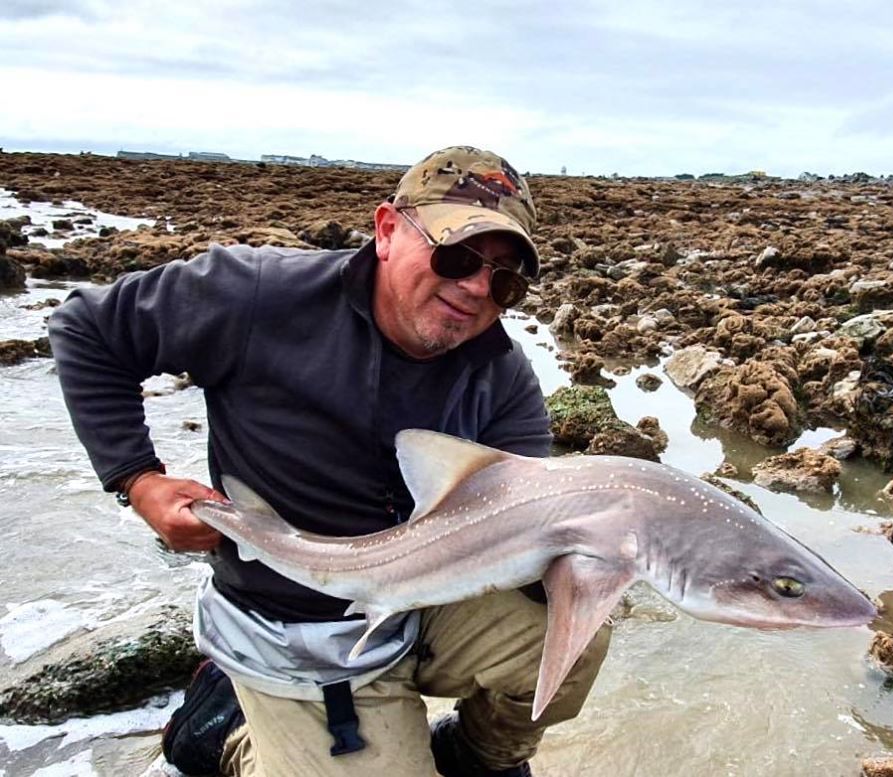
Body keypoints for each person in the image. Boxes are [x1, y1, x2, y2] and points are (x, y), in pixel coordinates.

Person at [49, 146, 610, 776]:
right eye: (458, 255)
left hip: (420, 598)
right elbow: (87, 329)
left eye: (503, 279)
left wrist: (597, 550)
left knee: (574, 633)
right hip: (296, 622)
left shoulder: (501, 376)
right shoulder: (259, 298)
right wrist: (138, 478)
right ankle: (227, 731)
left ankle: (472, 759)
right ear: (388, 229)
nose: (476, 288)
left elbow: (521, 524)